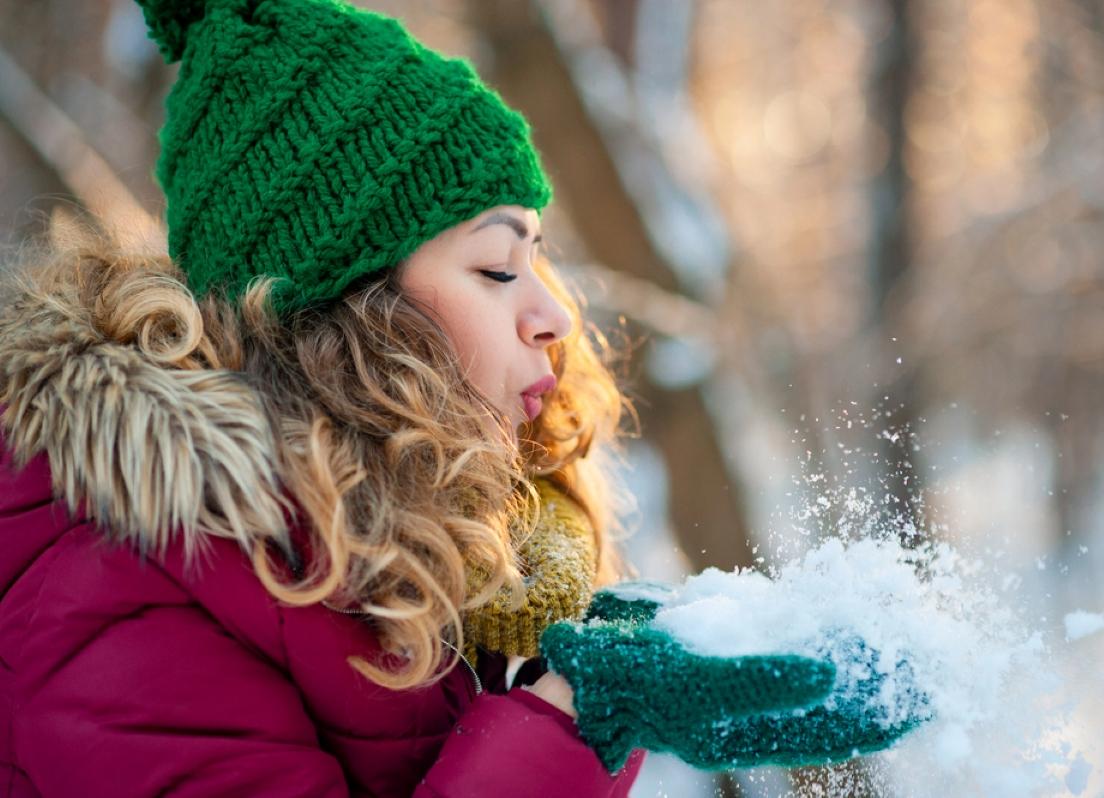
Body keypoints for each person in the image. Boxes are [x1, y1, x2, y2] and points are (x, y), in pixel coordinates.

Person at [0, 1, 926, 795]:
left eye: (536, 261)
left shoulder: (417, 559)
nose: (553, 316)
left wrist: (571, 669)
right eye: (495, 265)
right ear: (347, 310)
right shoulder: (126, 578)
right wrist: (571, 713)